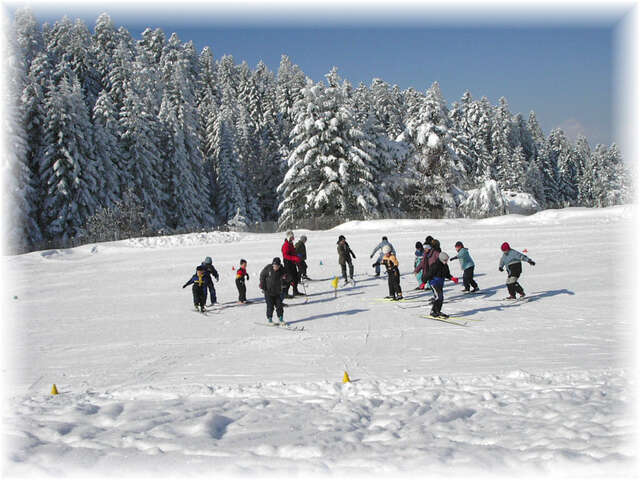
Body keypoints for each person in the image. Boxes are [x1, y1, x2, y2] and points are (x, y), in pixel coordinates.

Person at [422, 251, 459, 318]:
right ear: (441, 259)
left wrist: (452, 278)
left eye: (447, 260)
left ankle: (437, 311)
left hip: (440, 283)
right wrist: (424, 282)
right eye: (445, 260)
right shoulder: (435, 265)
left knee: (441, 298)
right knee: (438, 297)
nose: (446, 262)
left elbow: (447, 274)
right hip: (434, 283)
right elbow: (428, 274)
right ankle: (433, 311)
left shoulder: (445, 266)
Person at [259, 257, 286, 324]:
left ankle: (280, 319)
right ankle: (270, 319)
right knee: (270, 306)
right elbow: (262, 276)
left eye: (277, 266)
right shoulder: (268, 268)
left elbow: (287, 277)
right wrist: (263, 286)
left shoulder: (282, 270)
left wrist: (286, 278)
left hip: (277, 292)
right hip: (268, 291)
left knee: (279, 306)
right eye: (274, 265)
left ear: (279, 265)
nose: (275, 267)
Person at [281, 231, 302, 298]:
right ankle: (285, 293)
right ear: (288, 237)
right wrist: (295, 258)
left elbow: (293, 252)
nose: (293, 239)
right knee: (289, 279)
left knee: (295, 277)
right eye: (292, 237)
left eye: (293, 237)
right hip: (287, 263)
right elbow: (285, 256)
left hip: (292, 262)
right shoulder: (285, 245)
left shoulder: (291, 244)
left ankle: (295, 291)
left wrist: (297, 256)